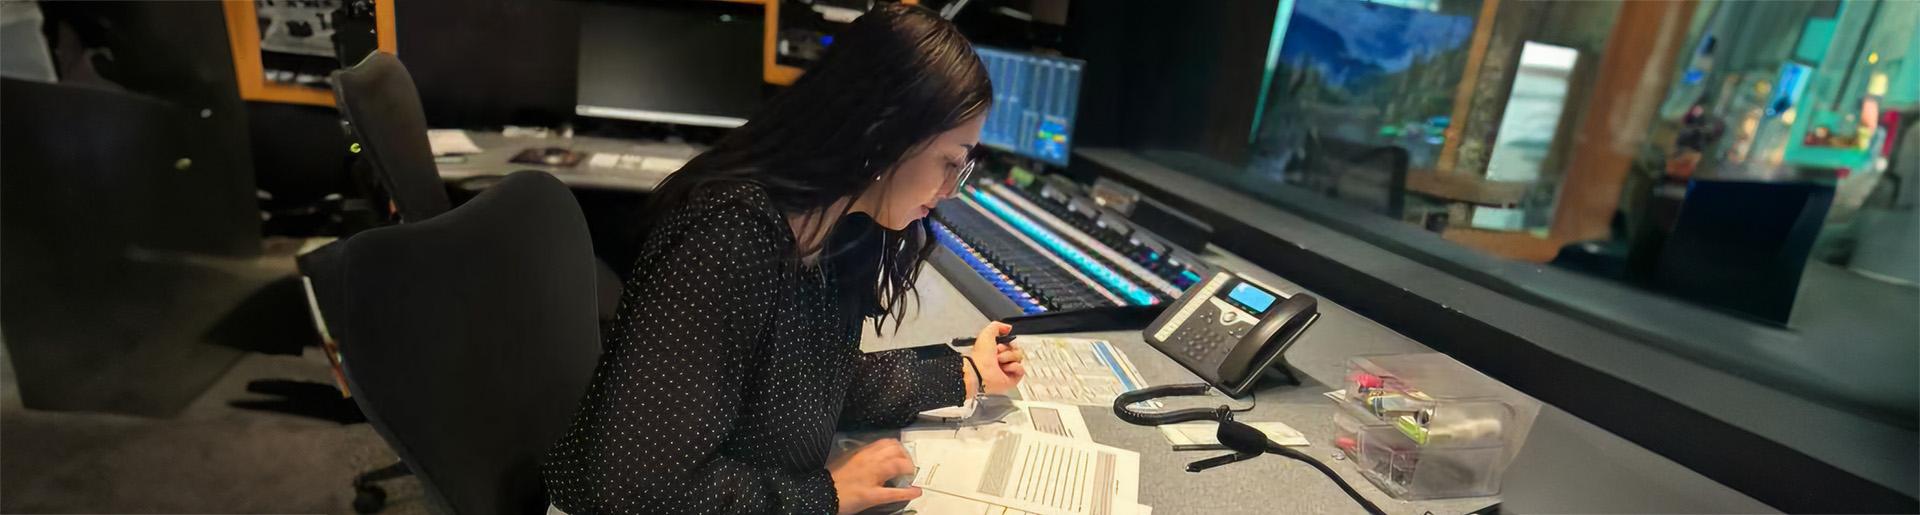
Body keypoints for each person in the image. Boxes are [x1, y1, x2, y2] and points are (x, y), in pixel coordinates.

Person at [541, 5, 1024, 514]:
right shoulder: (728, 236)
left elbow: (810, 386)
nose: (951, 190)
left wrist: (966, 372)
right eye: (951, 161)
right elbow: (631, 492)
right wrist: (826, 495)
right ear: (884, 135)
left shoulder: (837, 228)